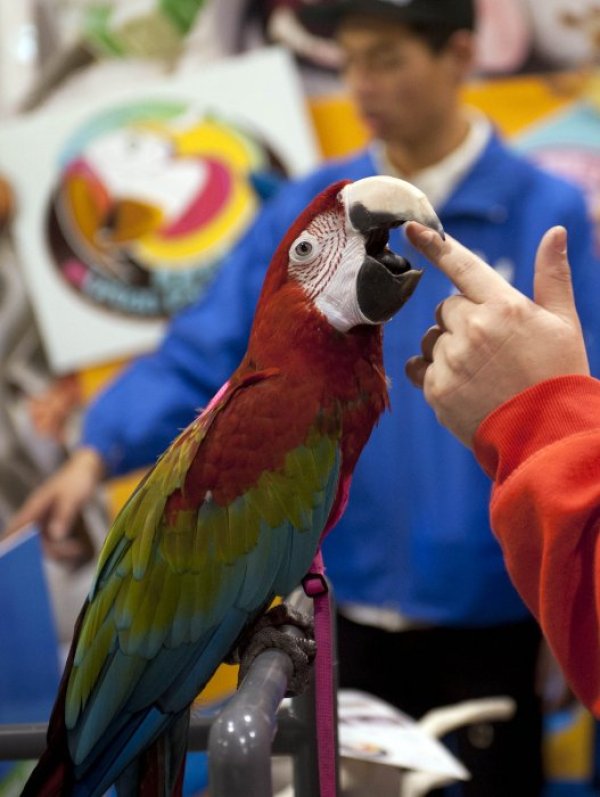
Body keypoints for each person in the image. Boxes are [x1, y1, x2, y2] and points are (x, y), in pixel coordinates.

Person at [8, 0, 600, 792]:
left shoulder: (546, 211)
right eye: (351, 61)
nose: (364, 85)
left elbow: (579, 400)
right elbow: (210, 344)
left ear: (461, 55)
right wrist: (94, 448)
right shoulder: (311, 206)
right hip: (345, 610)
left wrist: (570, 581)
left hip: (492, 607)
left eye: (386, 58)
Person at [404, 220, 600, 717]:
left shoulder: (544, 199)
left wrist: (542, 418)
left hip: (499, 603)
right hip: (363, 582)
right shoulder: (315, 198)